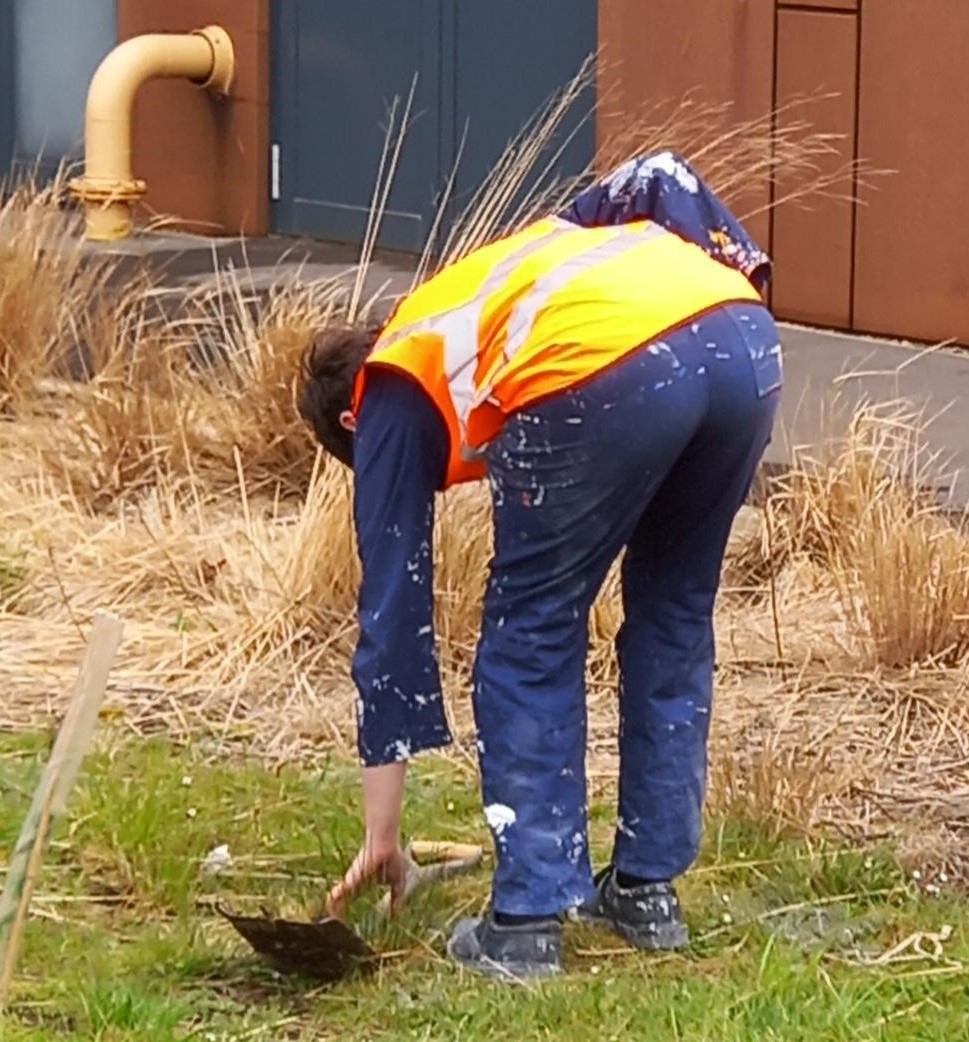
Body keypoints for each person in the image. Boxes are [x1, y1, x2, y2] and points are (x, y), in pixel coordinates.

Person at [294, 151, 783, 979]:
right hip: (739, 337)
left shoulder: (391, 382)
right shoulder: (494, 291)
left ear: (352, 417)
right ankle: (645, 891)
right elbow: (657, 172)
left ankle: (524, 923)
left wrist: (383, 833)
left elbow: (391, 617)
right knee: (671, 613)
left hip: (604, 366)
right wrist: (739, 260)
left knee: (531, 633)